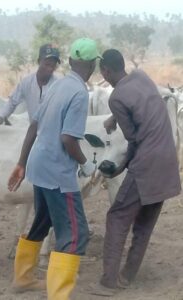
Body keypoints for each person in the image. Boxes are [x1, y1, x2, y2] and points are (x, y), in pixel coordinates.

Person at [8, 38, 100, 299]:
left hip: (38, 166)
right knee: (75, 232)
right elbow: (68, 139)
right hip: (58, 173)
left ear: (70, 61)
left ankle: (23, 279)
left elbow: (33, 126)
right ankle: (58, 295)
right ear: (93, 65)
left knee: (42, 220)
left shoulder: (55, 86)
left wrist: (21, 163)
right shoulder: (79, 93)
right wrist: (86, 163)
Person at [90, 49, 181, 296]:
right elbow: (143, 105)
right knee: (143, 224)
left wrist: (120, 166)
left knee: (117, 217)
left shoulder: (116, 97)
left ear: (106, 72)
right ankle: (128, 275)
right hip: (168, 162)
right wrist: (114, 118)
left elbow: (133, 138)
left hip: (147, 164)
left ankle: (109, 281)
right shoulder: (142, 77)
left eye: (103, 72)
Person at [0, 43, 60, 124]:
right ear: (39, 61)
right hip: (33, 131)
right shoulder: (27, 83)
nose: (50, 69)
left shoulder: (58, 85)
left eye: (53, 65)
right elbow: (12, 102)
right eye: (47, 64)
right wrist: (1, 117)